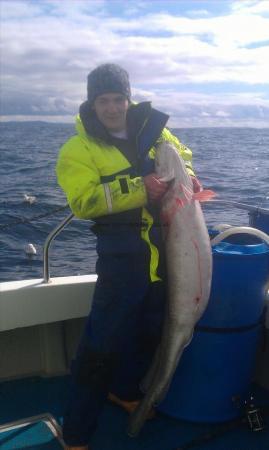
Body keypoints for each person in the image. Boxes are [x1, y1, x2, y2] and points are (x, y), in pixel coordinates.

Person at [56, 63, 201, 450]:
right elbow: (83, 201)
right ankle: (76, 432)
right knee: (100, 348)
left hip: (163, 251)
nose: (112, 107)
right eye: (103, 100)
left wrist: (188, 173)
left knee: (147, 332)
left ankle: (122, 390)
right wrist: (141, 189)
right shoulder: (78, 148)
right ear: (92, 102)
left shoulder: (152, 128)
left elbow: (181, 152)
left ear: (127, 97)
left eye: (118, 98)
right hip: (122, 256)